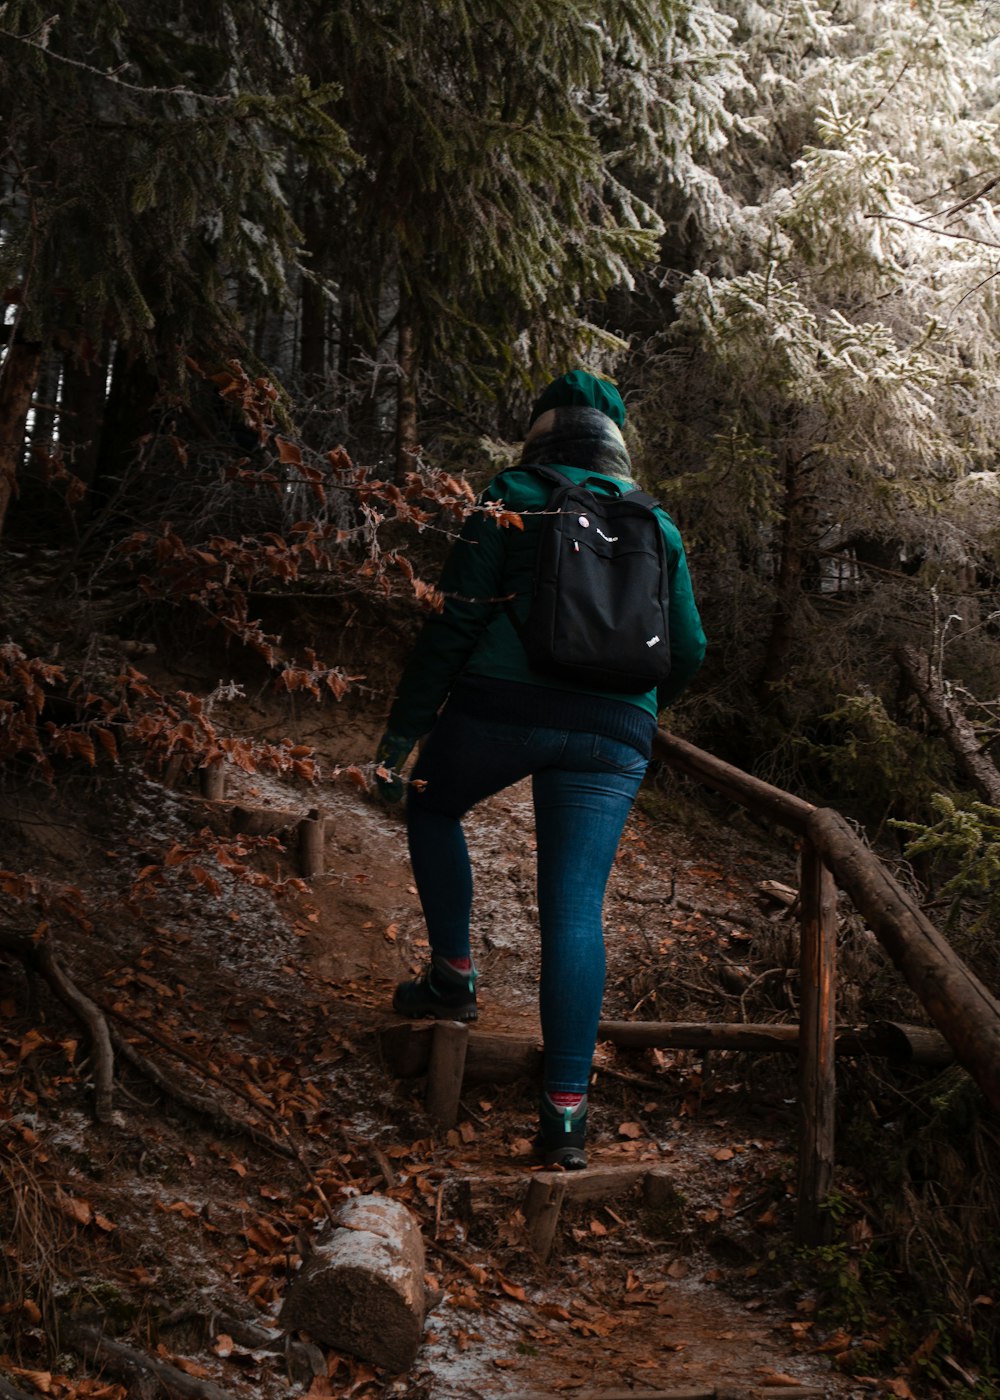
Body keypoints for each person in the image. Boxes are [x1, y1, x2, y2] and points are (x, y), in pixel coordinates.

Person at [374, 370, 706, 1168]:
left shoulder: (511, 494)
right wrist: (630, 702)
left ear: (543, 431)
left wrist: (399, 741)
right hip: (615, 731)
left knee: (432, 804)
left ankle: (453, 976)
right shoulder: (656, 524)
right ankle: (565, 1117)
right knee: (574, 911)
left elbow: (452, 627)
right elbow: (688, 651)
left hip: (501, 711)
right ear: (614, 442)